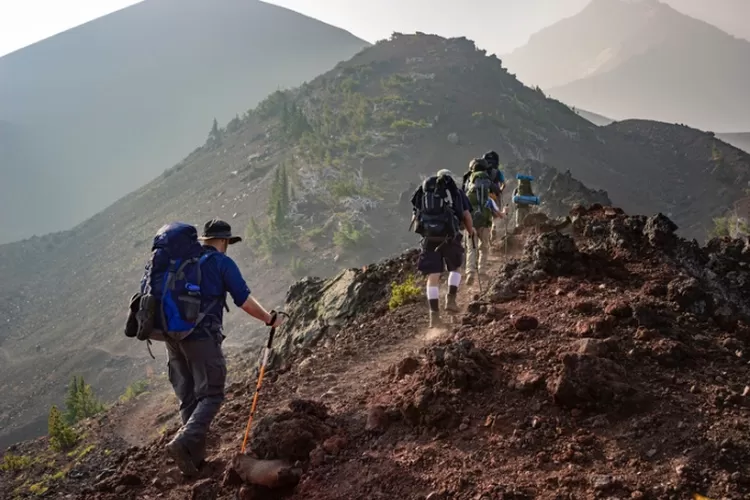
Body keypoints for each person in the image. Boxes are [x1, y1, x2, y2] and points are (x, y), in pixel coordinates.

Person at [164, 218, 285, 477]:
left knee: (190, 398)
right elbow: (243, 299)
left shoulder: (181, 262)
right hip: (201, 337)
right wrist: (269, 318)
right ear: (223, 241)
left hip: (171, 338)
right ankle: (183, 442)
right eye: (227, 242)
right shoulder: (221, 263)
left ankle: (194, 463)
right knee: (212, 395)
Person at [411, 171, 474, 327]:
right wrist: (471, 232)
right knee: (455, 268)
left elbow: (415, 218)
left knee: (433, 277)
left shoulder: (424, 195)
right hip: (449, 237)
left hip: (429, 240)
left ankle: (434, 317)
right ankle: (451, 300)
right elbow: (466, 215)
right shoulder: (455, 193)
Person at [463, 158, 503, 285]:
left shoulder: (468, 182)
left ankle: (470, 272)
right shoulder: (488, 183)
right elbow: (497, 192)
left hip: (471, 223)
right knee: (484, 247)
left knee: (471, 248)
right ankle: (482, 270)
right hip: (485, 221)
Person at [482, 151, 506, 243]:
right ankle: (494, 227)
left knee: (484, 213)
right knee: (495, 214)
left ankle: (486, 233)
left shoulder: (482, 172)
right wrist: (500, 190)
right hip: (495, 195)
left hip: (484, 195)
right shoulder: (497, 172)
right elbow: (504, 184)